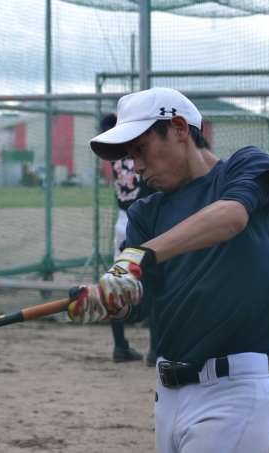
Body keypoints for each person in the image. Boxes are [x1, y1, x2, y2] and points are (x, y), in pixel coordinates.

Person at [67, 88, 269, 452]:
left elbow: (231, 216)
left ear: (180, 128)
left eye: (141, 149)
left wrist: (141, 256)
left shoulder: (246, 166)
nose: (136, 166)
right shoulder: (146, 212)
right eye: (131, 156)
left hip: (232, 392)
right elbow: (141, 301)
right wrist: (113, 301)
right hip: (167, 395)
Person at [101, 113, 159, 364]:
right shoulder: (138, 151)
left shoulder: (113, 154)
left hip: (122, 221)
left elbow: (106, 123)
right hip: (144, 220)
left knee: (118, 281)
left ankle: (120, 346)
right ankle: (155, 349)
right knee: (155, 281)